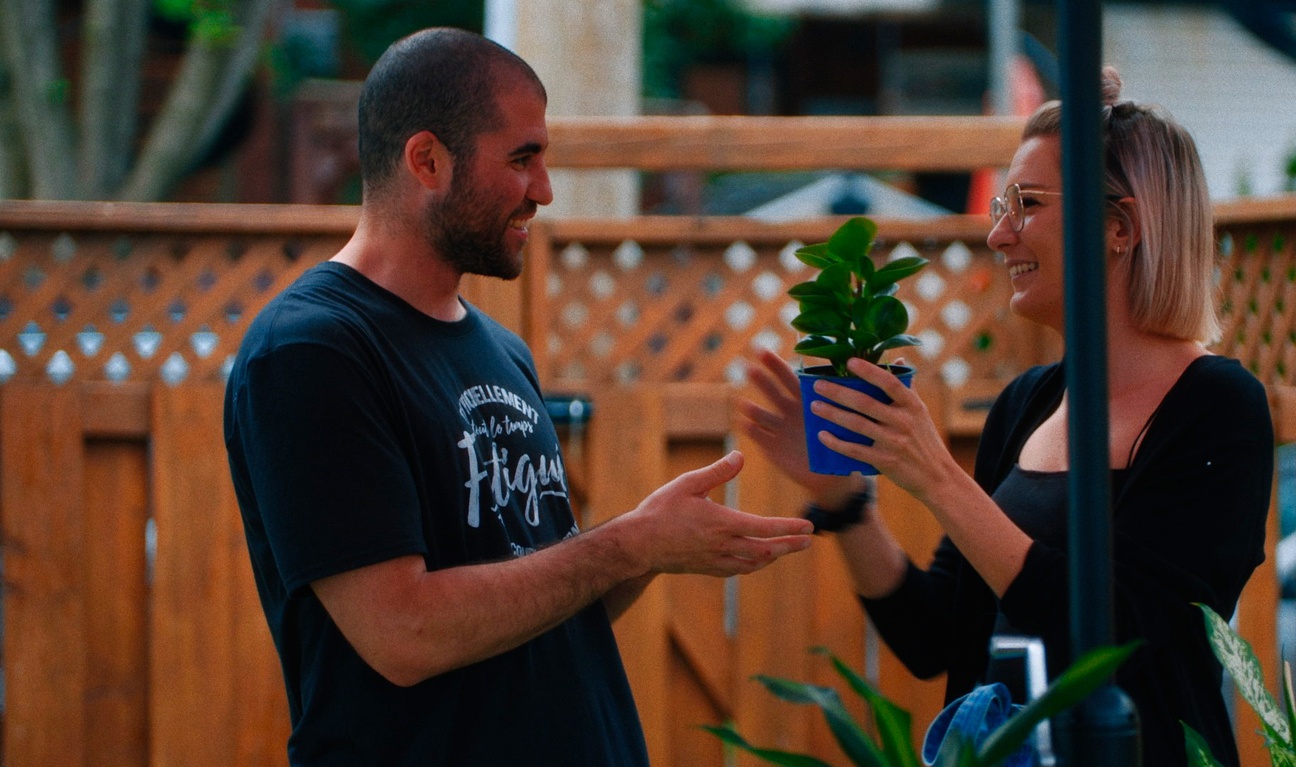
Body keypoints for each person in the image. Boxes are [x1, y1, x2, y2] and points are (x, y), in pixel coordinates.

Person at [223, 27, 814, 766]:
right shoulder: (314, 350)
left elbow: (542, 602)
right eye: (522, 158)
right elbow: (401, 631)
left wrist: (647, 549)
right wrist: (622, 545)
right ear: (427, 161)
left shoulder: (502, 352)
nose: (545, 189)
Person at [739, 67, 1272, 767]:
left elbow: (1118, 629)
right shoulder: (1027, 405)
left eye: (1024, 203)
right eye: (1000, 206)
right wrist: (846, 502)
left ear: (1119, 225)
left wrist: (936, 477)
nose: (1000, 235)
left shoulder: (1216, 407)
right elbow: (935, 637)